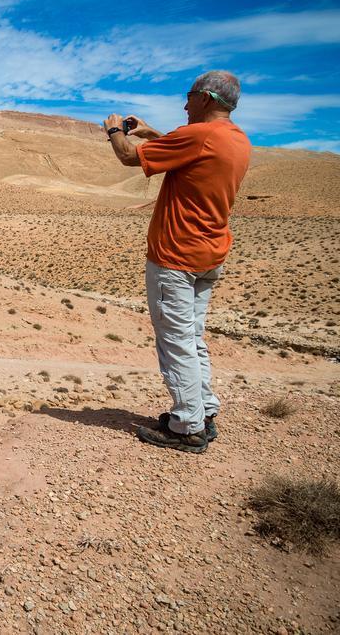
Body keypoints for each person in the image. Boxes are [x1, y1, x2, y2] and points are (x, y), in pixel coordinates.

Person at [104, 70, 251, 454]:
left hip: (176, 256)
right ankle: (204, 411)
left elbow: (126, 157)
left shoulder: (200, 135)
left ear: (206, 98)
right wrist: (152, 133)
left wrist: (114, 130)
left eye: (189, 96)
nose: (184, 104)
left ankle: (187, 426)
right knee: (192, 337)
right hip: (208, 254)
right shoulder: (235, 139)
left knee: (175, 341)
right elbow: (184, 149)